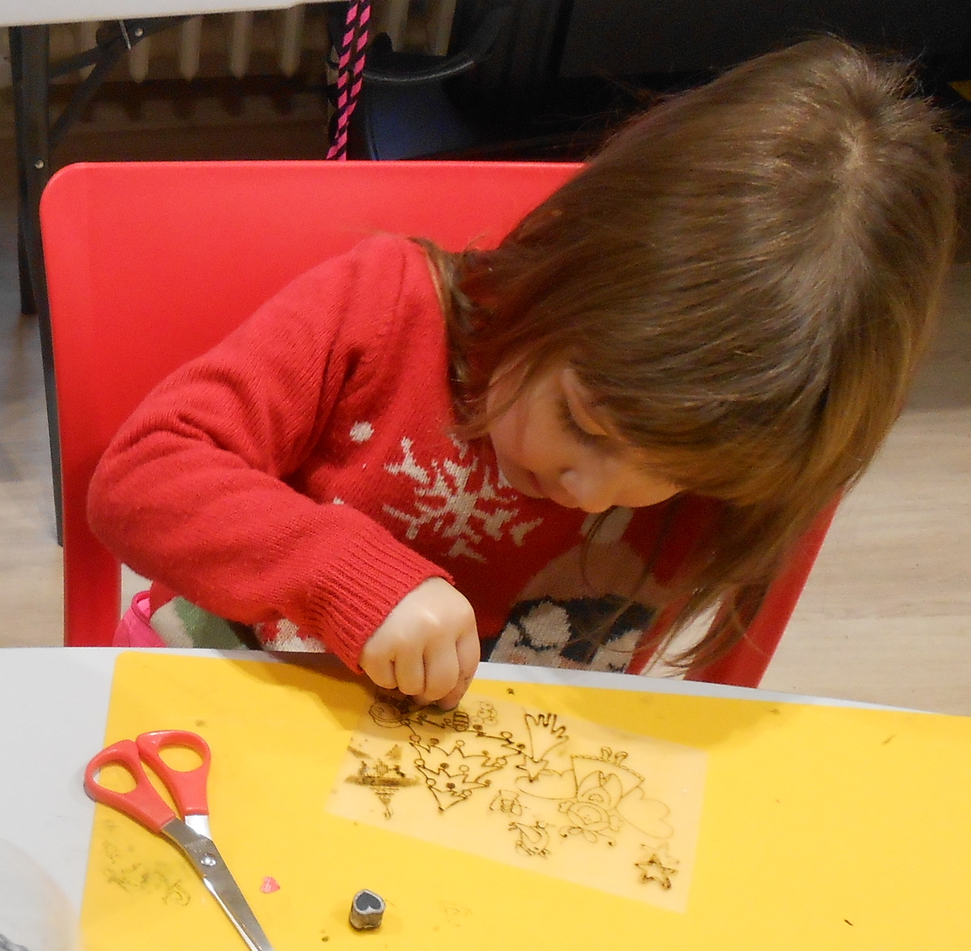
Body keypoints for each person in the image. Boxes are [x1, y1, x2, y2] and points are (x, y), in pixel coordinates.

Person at [88, 37, 957, 707]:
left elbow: (714, 709)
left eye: (669, 476)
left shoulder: (753, 459)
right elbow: (140, 478)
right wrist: (341, 575)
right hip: (222, 698)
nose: (593, 491)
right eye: (583, 422)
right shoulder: (385, 310)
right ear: (557, 268)